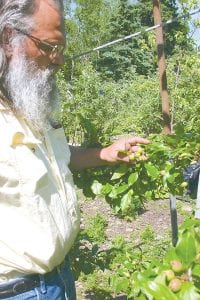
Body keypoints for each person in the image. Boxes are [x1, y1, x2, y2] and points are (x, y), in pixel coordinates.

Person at [0, 0, 149, 299]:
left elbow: (52, 157)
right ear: (8, 39)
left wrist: (103, 153)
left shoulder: (23, 102)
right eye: (49, 46)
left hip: (58, 279)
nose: (59, 61)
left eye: (62, 49)